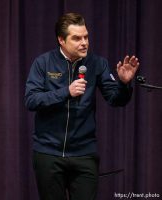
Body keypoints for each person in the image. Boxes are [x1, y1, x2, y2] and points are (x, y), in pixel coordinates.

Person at [25, 13, 139, 200]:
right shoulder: (43, 63)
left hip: (84, 154)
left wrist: (124, 84)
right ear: (61, 40)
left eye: (86, 37)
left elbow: (115, 100)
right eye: (77, 38)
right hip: (48, 153)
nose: (84, 42)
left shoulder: (97, 63)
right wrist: (66, 92)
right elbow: (31, 100)